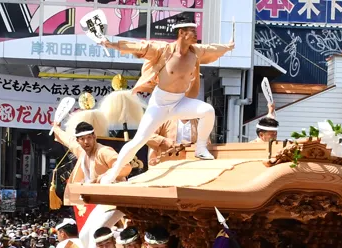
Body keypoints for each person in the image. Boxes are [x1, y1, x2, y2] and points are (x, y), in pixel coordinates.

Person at [91, 23, 236, 179]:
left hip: (180, 102)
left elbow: (212, 49)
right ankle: (112, 174)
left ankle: (200, 148)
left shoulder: (196, 52)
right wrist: (112, 44)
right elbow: (139, 47)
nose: (196, 35)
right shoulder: (162, 50)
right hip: (159, 105)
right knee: (138, 141)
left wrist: (228, 47)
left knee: (207, 111)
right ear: (182, 33)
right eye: (192, 32)